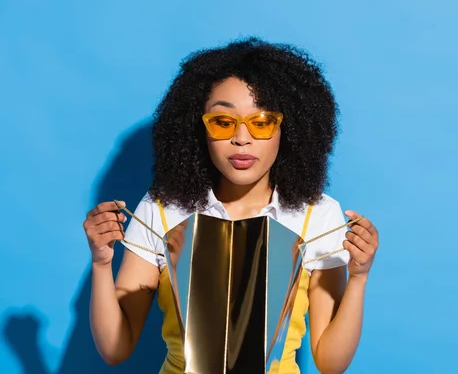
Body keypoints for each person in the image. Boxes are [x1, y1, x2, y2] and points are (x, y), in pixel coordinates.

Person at [82, 37, 379, 374]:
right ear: (198, 128)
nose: (242, 138)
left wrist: (359, 278)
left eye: (261, 122)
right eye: (223, 122)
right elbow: (115, 348)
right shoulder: (161, 210)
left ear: (289, 129)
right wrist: (101, 263)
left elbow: (330, 362)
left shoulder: (319, 214)